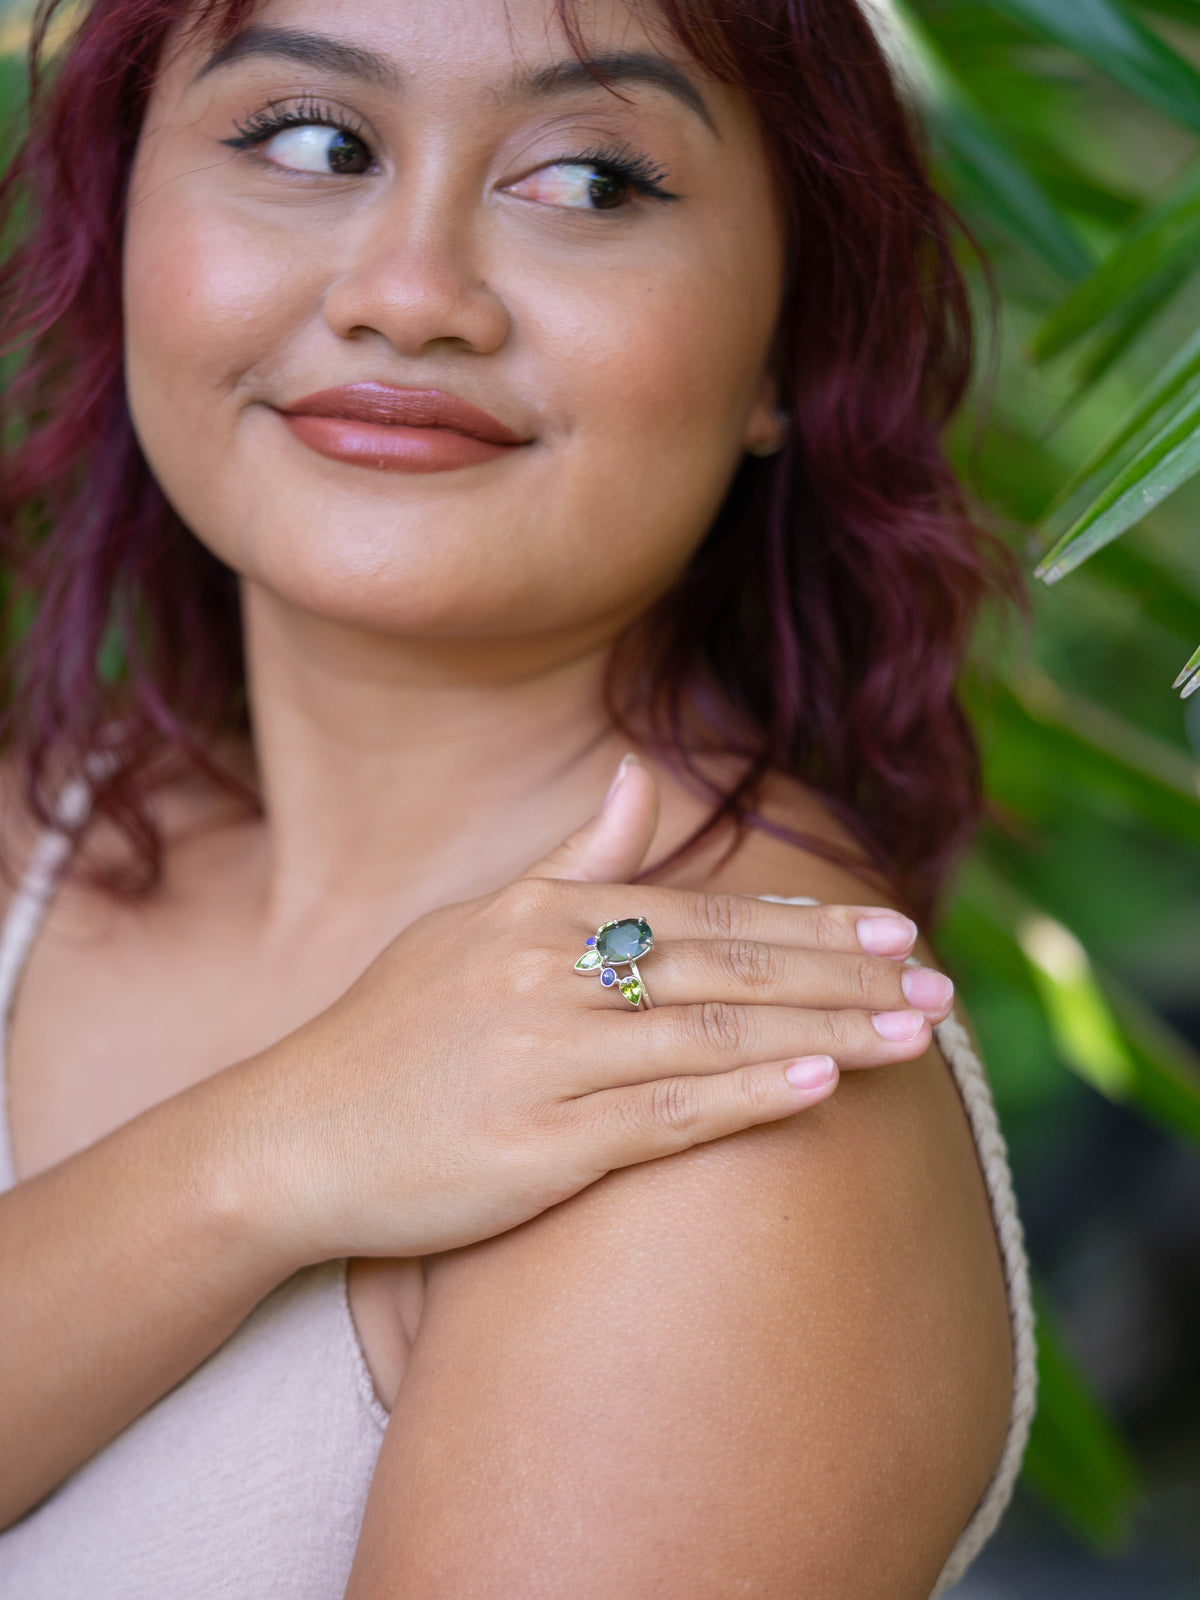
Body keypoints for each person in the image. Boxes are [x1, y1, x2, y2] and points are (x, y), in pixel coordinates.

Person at [0, 0, 1034, 1594]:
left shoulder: (726, 1105)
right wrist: (256, 1155)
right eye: (312, 141)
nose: (408, 296)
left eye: (594, 181)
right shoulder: (38, 835)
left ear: (785, 342)